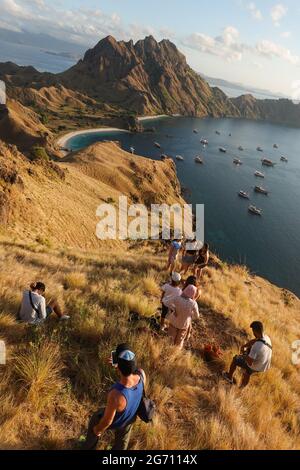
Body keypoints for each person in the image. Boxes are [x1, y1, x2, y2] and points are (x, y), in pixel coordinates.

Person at [83, 344, 146, 451]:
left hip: (118, 420)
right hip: (130, 417)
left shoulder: (116, 394)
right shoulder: (141, 374)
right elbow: (132, 382)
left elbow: (107, 421)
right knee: (122, 441)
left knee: (95, 419)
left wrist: (97, 430)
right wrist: (121, 367)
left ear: (119, 367)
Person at [223, 321, 272, 388]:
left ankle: (229, 377)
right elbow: (256, 340)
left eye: (253, 331)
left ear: (255, 331)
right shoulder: (266, 337)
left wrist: (244, 355)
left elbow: (250, 362)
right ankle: (241, 389)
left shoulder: (256, 347)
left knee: (236, 359)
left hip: (255, 365)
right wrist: (244, 346)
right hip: (264, 366)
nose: (253, 332)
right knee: (248, 372)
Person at [167, 285, 204, 350]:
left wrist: (174, 309)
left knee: (170, 339)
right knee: (179, 341)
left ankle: (167, 351)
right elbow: (197, 316)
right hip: (184, 325)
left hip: (173, 322)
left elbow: (166, 302)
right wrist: (190, 315)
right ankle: (174, 354)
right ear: (194, 294)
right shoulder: (193, 304)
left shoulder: (177, 298)